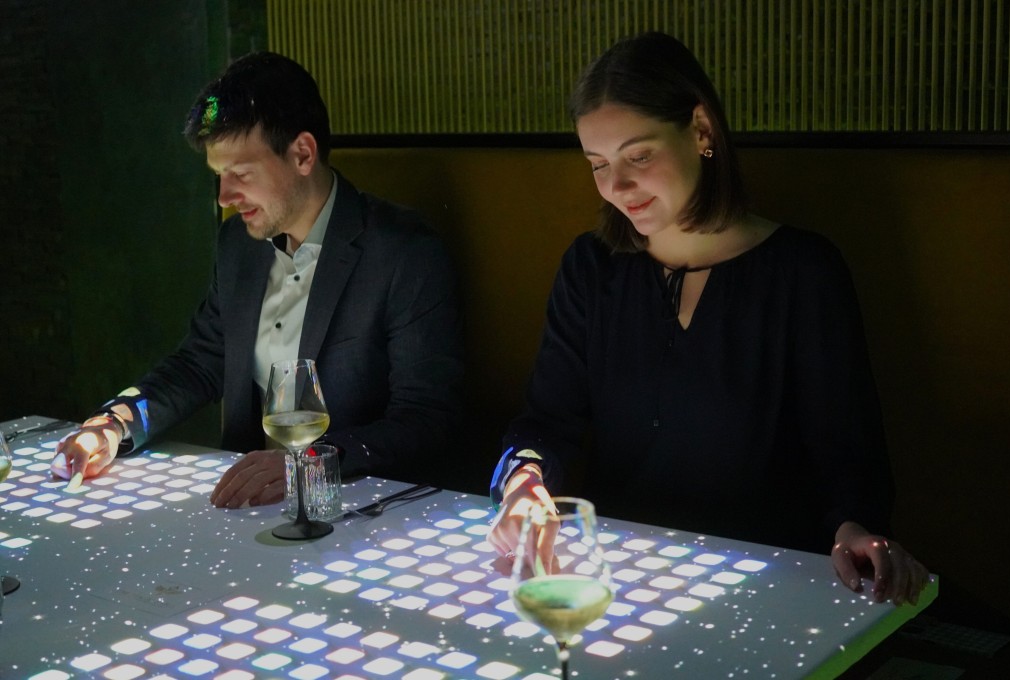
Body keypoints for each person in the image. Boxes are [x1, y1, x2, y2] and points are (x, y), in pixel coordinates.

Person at [487, 32, 929, 606]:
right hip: (621, 575)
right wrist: (524, 482)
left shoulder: (803, 271)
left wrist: (853, 527)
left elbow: (847, 452)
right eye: (598, 164)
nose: (616, 188)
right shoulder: (592, 268)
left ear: (700, 131)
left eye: (638, 155)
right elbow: (548, 421)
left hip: (766, 576)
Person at [50, 52, 463, 507]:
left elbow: (425, 419)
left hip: (362, 511)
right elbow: (200, 362)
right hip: (247, 510)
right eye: (219, 176)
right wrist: (114, 423)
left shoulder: (404, 251)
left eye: (241, 174)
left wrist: (310, 464)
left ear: (302, 154)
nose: (225, 198)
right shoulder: (239, 244)